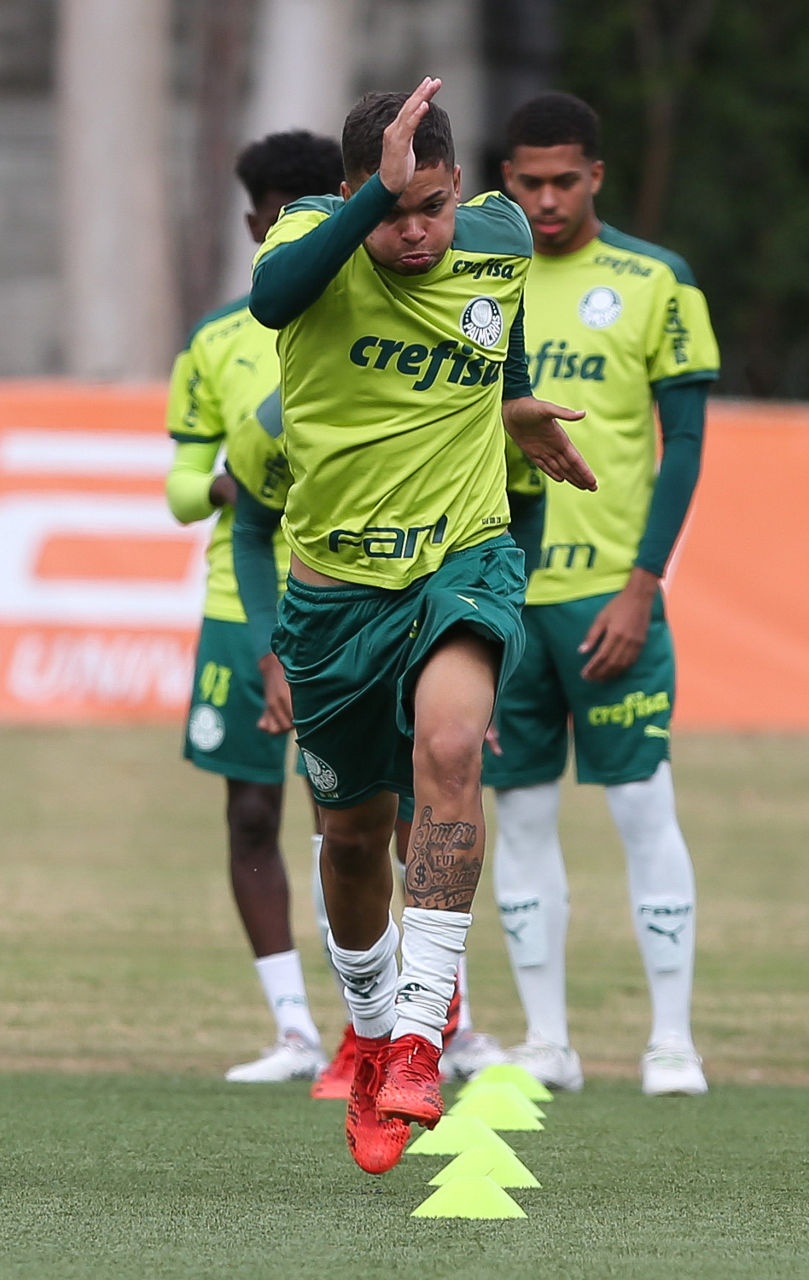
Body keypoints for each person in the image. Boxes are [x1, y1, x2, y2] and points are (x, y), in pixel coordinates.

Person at [238, 77, 595, 1174]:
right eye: (392, 210)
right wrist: (370, 200)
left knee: (450, 751)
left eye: (432, 205)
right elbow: (272, 303)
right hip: (336, 590)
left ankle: (416, 1041)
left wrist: (516, 401)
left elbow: (501, 340)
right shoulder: (308, 238)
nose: (416, 232)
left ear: (459, 189)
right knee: (351, 838)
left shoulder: (498, 235)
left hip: (462, 557)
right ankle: (366, 1022)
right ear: (354, 192)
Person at [483, 91, 720, 1096]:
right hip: (501, 596)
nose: (547, 200)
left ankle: (672, 1042)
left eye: (565, 181)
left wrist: (642, 585)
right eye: (530, 182)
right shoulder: (477, 278)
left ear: (596, 177)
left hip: (610, 597)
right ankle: (548, 1041)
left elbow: (686, 444)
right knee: (520, 816)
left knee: (641, 807)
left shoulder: (656, 280)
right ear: (507, 180)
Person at [165, 129, 344, 1085]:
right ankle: (293, 1030)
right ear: (252, 225)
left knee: (352, 818)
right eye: (277, 222)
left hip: (345, 591)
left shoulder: (371, 320)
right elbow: (180, 486)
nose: (289, 238)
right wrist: (219, 488)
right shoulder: (216, 341)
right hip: (243, 605)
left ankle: (402, 1025)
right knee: (249, 815)